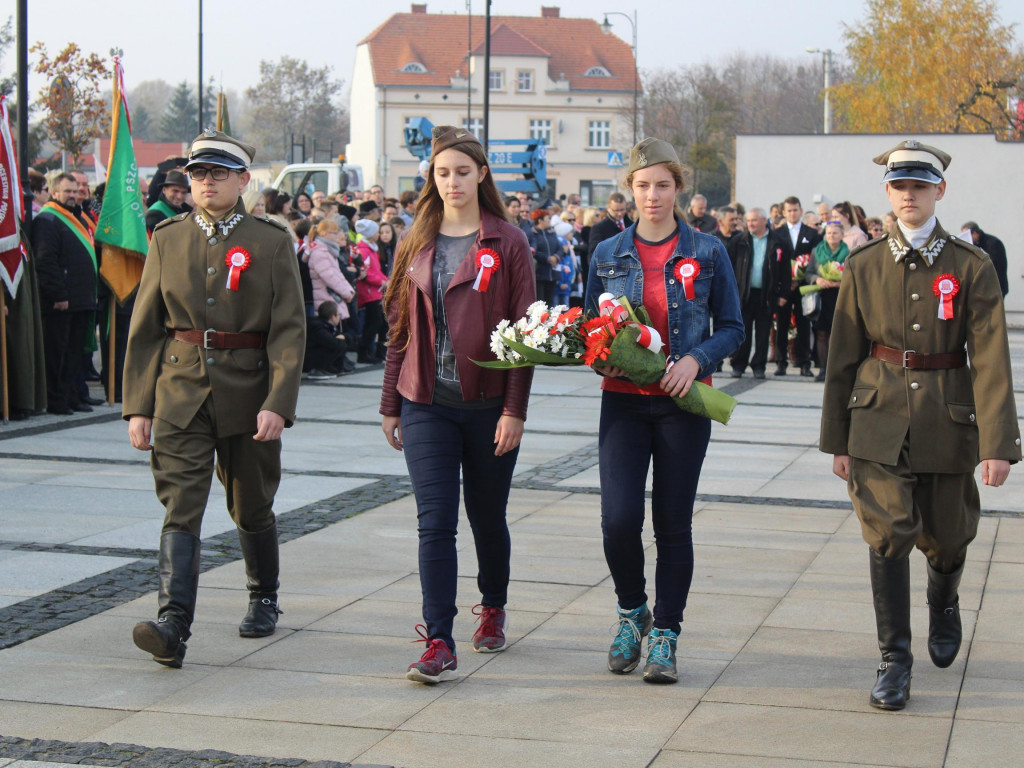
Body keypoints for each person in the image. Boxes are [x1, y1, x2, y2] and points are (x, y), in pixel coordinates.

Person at [821, 140, 1021, 711]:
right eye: (899, 186)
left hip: (947, 416)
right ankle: (894, 659)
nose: (909, 195)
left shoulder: (969, 265)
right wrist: (837, 439)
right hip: (877, 416)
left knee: (949, 535)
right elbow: (842, 357)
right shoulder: (863, 265)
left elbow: (990, 358)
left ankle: (944, 596)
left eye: (920, 186)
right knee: (888, 534)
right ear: (887, 192)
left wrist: (998, 442)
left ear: (940, 191)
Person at [123, 130, 305, 668]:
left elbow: (289, 330)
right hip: (180, 391)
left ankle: (263, 595)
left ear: (243, 180)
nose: (206, 182)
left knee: (251, 503)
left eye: (218, 173)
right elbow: (146, 326)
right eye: (199, 174)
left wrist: (278, 400)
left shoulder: (270, 240)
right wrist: (138, 404)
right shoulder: (167, 238)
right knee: (182, 506)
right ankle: (173, 623)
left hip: (249, 392)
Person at [379, 125, 535, 685]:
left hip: (490, 405)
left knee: (486, 516)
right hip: (425, 403)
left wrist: (515, 410)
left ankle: (492, 605)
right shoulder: (415, 239)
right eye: (442, 173)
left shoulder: (508, 242)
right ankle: (438, 640)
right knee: (434, 523)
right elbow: (398, 326)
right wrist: (390, 402)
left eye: (462, 172)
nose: (452, 182)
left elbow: (525, 334)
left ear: (482, 175)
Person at [585, 137, 743, 684]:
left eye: (663, 185)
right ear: (629, 190)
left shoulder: (707, 251)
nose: (652, 195)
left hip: (683, 409)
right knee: (618, 521)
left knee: (672, 525)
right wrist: (600, 357)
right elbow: (591, 327)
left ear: (679, 189)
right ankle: (633, 612)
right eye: (643, 185)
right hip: (623, 407)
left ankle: (666, 635)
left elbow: (733, 327)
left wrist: (697, 361)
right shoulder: (607, 254)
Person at [32, 172, 98, 415]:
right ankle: (56, 400)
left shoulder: (75, 217)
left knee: (73, 354)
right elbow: (45, 261)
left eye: (75, 190)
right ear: (54, 192)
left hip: (80, 300)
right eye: (67, 191)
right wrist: (59, 295)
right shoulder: (48, 220)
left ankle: (71, 396)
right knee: (57, 355)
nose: (73, 195)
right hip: (61, 302)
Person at [771, 196, 821, 377]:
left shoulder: (811, 233)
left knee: (803, 325)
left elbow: (814, 260)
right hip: (784, 287)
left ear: (800, 211)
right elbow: (775, 262)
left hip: (804, 286)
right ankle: (781, 362)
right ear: (784, 212)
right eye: (789, 211)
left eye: (795, 210)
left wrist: (800, 278)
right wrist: (786, 282)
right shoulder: (777, 233)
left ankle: (804, 362)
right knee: (782, 325)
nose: (792, 213)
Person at [730, 208, 775, 378]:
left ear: (764, 220)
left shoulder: (776, 241)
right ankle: (738, 364)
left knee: (763, 333)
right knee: (743, 331)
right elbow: (730, 267)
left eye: (754, 220)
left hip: (765, 294)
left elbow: (784, 270)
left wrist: (782, 294)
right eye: (748, 221)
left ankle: (758, 366)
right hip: (743, 294)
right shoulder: (739, 241)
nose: (750, 224)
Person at [805, 220, 848, 382]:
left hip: (839, 298)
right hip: (821, 297)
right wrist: (817, 280)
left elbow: (852, 277)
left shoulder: (848, 253)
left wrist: (839, 282)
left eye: (835, 233)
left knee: (836, 335)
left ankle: (835, 370)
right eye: (829, 233)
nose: (831, 236)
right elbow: (808, 274)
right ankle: (822, 369)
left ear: (842, 235)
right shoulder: (817, 251)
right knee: (821, 334)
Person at [354, 218, 387, 363]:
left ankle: (375, 351)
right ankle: (364, 351)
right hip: (369, 292)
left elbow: (376, 270)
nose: (378, 234)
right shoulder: (364, 250)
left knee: (379, 322)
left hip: (375, 291)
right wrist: (382, 281)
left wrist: (386, 280)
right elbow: (366, 273)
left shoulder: (371, 249)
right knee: (373, 323)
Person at [304, 299, 352, 378]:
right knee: (339, 345)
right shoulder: (317, 327)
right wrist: (341, 340)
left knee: (341, 343)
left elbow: (344, 337)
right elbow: (332, 342)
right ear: (333, 317)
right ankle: (319, 369)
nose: (340, 317)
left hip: (311, 355)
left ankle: (329, 367)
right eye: (339, 314)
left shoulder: (326, 325)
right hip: (308, 359)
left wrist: (344, 337)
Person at [961, 222, 1008, 297]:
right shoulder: (974, 245)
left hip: (995, 287)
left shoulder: (993, 243)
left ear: (975, 233)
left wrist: (997, 288)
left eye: (967, 235)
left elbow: (998, 267)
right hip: (981, 288)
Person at [528, 207, 560, 306]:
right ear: (540, 220)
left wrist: (556, 257)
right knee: (540, 301)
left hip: (552, 272)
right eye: (548, 219)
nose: (550, 221)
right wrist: (547, 258)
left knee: (550, 301)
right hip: (540, 273)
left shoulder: (551, 232)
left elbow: (560, 247)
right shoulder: (532, 234)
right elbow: (533, 251)